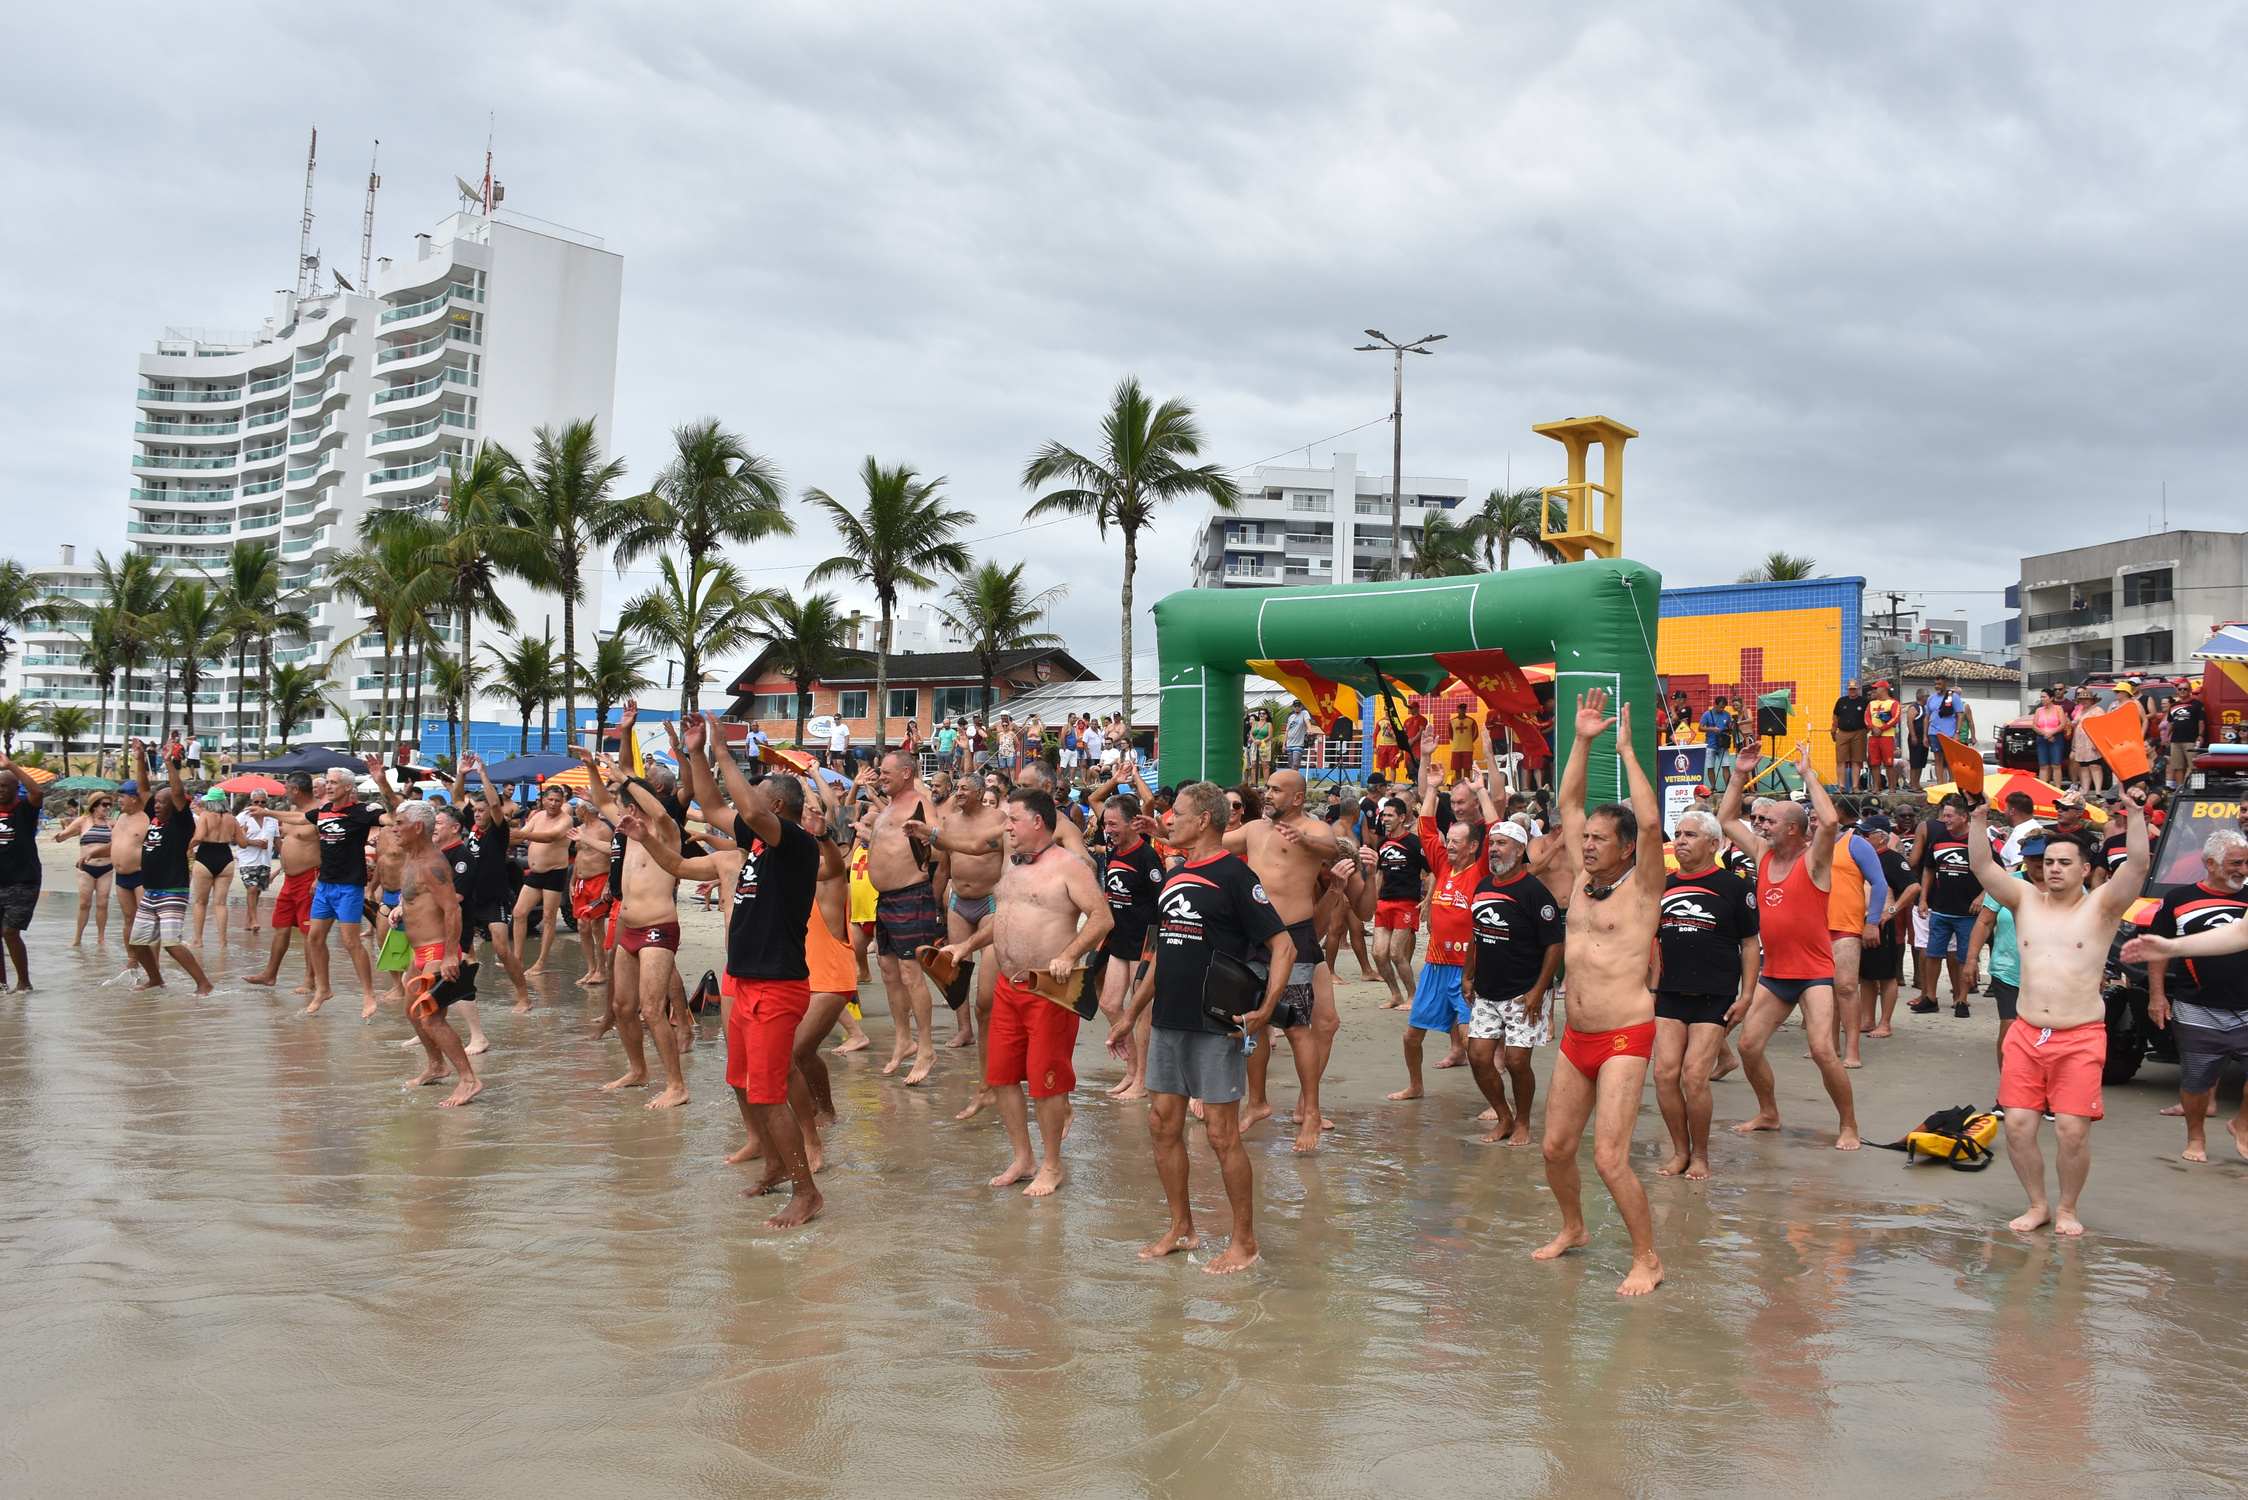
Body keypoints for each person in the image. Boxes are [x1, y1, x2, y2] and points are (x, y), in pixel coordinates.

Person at [1108, 781, 1291, 1274]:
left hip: (1215, 1023)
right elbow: (1163, 952)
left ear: (1203, 820)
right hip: (1168, 1017)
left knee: (1221, 1134)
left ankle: (1245, 1242)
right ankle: (1181, 1228)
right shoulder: (1175, 875)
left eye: (1178, 814)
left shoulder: (1235, 875)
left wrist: (1266, 1008)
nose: (1168, 820)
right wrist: (1128, 1016)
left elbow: (1283, 946)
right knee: (1162, 1124)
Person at [669, 710, 826, 1227]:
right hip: (746, 980)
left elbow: (748, 807)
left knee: (770, 1092)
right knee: (740, 1081)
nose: (748, 800)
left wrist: (721, 749)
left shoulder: (796, 844)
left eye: (758, 794)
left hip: (778, 987)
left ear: (777, 806)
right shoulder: (756, 842)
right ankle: (778, 1167)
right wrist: (695, 750)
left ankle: (807, 1193)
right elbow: (713, 804)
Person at [1535, 690, 1667, 1296]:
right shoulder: (1582, 882)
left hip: (1624, 1034)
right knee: (1556, 1148)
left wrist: (1627, 752)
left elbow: (1650, 822)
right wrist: (1583, 740)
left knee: (1609, 1158)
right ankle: (1574, 1229)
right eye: (1583, 837)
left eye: (1597, 839)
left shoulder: (1642, 888)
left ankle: (1648, 1259)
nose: (1586, 844)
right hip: (1576, 1037)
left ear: (1624, 848)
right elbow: (1566, 800)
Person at [1980, 789, 2148, 1235]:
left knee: (2071, 1131)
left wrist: (2134, 815)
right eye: (2048, 861)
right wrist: (1979, 820)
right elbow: (1982, 866)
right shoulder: (2023, 898)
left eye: (2064, 862)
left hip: (2080, 1036)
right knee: (2016, 1126)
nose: (2053, 868)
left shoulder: (2104, 905)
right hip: (2027, 1032)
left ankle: (2068, 1208)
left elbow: (2138, 867)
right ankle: (2038, 1205)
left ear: (2085, 869)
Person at [934, 788, 1112, 1195]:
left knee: (1045, 1082)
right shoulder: (1012, 866)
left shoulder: (1070, 866)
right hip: (1008, 987)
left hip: (1049, 990)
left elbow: (1102, 919)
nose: (1006, 826)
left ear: (1037, 822)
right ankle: (1023, 1158)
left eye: (1012, 819)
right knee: (1000, 1077)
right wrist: (965, 946)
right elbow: (1002, 922)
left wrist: (1069, 955)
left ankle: (1052, 1165)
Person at [1717, 742, 1860, 1150]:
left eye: (1771, 822)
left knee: (1821, 1050)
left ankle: (1848, 1125)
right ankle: (1769, 1113)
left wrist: (1808, 773)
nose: (1761, 826)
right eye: (1761, 821)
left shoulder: (1814, 861)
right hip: (1775, 972)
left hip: (1813, 974)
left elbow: (1829, 821)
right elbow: (1727, 818)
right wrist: (1739, 774)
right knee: (1747, 1045)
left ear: (1794, 828)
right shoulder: (1762, 854)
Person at [1225, 767, 1344, 1154]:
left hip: (1292, 937)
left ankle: (1310, 1111)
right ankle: (1256, 1102)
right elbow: (1215, 844)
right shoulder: (1256, 830)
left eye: (1276, 789)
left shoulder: (1312, 830)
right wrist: (1162, 832)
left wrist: (1305, 843)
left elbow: (1333, 847)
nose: (1268, 793)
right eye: (1268, 787)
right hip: (1253, 938)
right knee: (1253, 1024)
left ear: (1296, 798)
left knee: (1295, 1026)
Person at [576, 747, 692, 1108]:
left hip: (659, 928)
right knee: (624, 1007)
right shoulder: (627, 829)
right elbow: (599, 798)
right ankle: (638, 1070)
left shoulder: (665, 830)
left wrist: (623, 775)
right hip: (630, 930)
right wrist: (593, 768)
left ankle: (677, 1085)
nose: (613, 806)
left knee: (653, 1008)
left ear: (631, 804)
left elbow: (657, 809)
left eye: (620, 800)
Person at [1652, 808, 1760, 1180]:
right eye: (1678, 833)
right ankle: (1680, 1151)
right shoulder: (1662, 885)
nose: (1680, 840)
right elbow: (1651, 940)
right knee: (1664, 1075)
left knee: (1694, 1076)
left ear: (1714, 844)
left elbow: (1749, 944)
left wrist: (1746, 996)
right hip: (1669, 992)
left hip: (1715, 994)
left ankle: (1701, 1156)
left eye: (1690, 835)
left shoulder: (1735, 887)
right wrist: (1649, 988)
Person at [2131, 828, 2248, 1163]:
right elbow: (2159, 951)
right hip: (2197, 1006)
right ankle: (2196, 1138)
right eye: (2235, 863)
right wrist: (2157, 996)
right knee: (2196, 1080)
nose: (2242, 869)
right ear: (2211, 863)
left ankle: (2242, 1124)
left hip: (2246, 1006)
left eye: (2246, 863)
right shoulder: (2179, 899)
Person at [1466, 801, 1564, 1149]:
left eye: (1502, 843)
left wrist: (1540, 990)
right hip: (1487, 990)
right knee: (1478, 1058)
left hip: (1524, 992)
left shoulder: (1535, 893)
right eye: (1492, 843)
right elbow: (1475, 934)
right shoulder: (1482, 887)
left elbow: (1555, 944)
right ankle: (1504, 1116)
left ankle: (1523, 1122)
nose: (1494, 849)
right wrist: (1468, 975)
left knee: (1517, 1061)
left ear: (1520, 849)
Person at [1387, 750, 1480, 1104]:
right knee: (1412, 1036)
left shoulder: (1479, 871)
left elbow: (1494, 821)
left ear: (1473, 846)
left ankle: (1495, 1104)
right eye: (1449, 840)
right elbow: (1425, 826)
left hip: (1466, 969)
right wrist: (1432, 789)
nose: (1449, 845)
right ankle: (1416, 1085)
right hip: (1435, 966)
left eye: (1457, 841)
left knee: (1476, 1043)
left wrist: (1482, 793)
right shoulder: (1443, 865)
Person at [387, 802, 483, 1107]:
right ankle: (436, 1065)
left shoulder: (432, 863)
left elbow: (452, 908)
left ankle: (469, 1080)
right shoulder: (411, 856)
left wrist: (451, 957)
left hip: (439, 950)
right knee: (411, 1011)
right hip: (418, 950)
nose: (394, 828)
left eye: (399, 823)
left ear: (417, 828)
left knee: (431, 1020)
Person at [864, 748, 945, 1084]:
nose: (880, 776)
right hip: (885, 900)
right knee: (888, 970)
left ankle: (926, 1047)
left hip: (911, 896)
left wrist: (934, 895)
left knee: (912, 974)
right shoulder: (891, 805)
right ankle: (904, 1040)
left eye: (886, 772)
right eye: (880, 772)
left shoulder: (920, 803)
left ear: (907, 773)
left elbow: (940, 849)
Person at [301, 761, 397, 1015]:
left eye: (332, 783)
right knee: (314, 938)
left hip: (349, 886)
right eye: (326, 782)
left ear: (347, 787)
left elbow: (395, 817)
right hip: (324, 885)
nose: (327, 786)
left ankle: (368, 994)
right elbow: (298, 818)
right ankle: (323, 989)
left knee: (350, 942)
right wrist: (266, 813)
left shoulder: (363, 811)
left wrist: (381, 782)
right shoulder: (323, 812)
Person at [122, 739, 214, 996]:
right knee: (138, 942)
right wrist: (139, 759)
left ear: (175, 806)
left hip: (172, 889)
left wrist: (168, 763)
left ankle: (204, 984)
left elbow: (176, 792)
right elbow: (142, 790)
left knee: (171, 943)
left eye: (163, 802)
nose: (158, 805)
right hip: (151, 890)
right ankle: (155, 979)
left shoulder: (182, 823)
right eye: (157, 803)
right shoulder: (154, 817)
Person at [452, 755, 534, 1011]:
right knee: (458, 949)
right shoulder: (473, 828)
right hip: (469, 897)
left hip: (493, 898)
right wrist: (463, 774)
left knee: (501, 949)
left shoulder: (497, 831)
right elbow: (456, 800)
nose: (476, 815)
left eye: (480, 810)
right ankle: (463, 995)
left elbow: (496, 807)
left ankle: (524, 997)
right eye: (474, 811)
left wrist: (483, 774)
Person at [1967, 832, 2044, 1065]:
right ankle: (2007, 1094)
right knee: (2010, 1029)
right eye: (2033, 857)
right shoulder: (2008, 884)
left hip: (2052, 975)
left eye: (2044, 856)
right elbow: (1984, 921)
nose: (2039, 862)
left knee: (2045, 1034)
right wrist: (1971, 959)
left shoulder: (2071, 889)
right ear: (2024, 858)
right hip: (2009, 970)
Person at [242, 774, 322, 997]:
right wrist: (278, 870)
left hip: (310, 876)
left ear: (295, 789)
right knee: (281, 926)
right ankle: (270, 973)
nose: (284, 791)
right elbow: (287, 844)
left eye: (286, 788)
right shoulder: (290, 812)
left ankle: (310, 980)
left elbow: (331, 847)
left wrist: (319, 878)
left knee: (309, 932)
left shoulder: (318, 812)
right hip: (289, 878)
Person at [1912, 794, 1984, 1018]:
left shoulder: (1978, 840)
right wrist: (1923, 898)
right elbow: (1928, 869)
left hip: (1967, 911)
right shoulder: (1940, 837)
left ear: (1964, 817)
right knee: (1933, 953)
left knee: (1963, 957)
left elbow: (1994, 871)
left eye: (1950, 815)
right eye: (1944, 814)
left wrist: (1982, 896)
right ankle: (1930, 997)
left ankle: (1961, 999)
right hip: (1941, 909)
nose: (1945, 818)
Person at [1360, 795, 1429, 1010]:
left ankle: (1413, 996)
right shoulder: (1383, 843)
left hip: (1407, 902)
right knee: (1378, 953)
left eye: (1390, 815)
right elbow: (1379, 874)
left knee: (1396, 953)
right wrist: (1373, 898)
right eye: (1384, 815)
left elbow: (1433, 871)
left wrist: (1427, 900)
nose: (1385, 819)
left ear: (1401, 817)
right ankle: (1396, 994)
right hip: (1385, 902)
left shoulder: (1413, 842)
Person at [1857, 813, 1917, 1038]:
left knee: (1886, 975)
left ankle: (1885, 1022)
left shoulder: (1891, 858)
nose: (1862, 838)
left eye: (1867, 834)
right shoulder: (1862, 856)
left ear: (1881, 837)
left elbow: (1913, 886)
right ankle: (1868, 1018)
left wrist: (1891, 911)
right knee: (1867, 976)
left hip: (1881, 923)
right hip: (1862, 921)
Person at [508, 781, 575, 976]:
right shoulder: (537, 817)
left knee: (548, 918)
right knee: (519, 913)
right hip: (536, 874)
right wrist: (502, 835)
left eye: (557, 800)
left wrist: (521, 833)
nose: (553, 803)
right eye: (550, 800)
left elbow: (551, 837)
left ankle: (541, 962)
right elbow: (521, 837)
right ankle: (517, 959)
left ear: (562, 802)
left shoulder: (566, 819)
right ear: (543, 800)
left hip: (555, 872)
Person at [0, 753, 46, 989]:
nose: (1, 790)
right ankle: (1, 984)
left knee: (9, 932)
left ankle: (23, 983)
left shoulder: (25, 808)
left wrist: (10, 766)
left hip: (23, 880)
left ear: (15, 788)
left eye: (5, 786)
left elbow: (37, 792)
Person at [50, 793, 115, 947]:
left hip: (106, 868)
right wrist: (58, 835)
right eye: (104, 805)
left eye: (109, 805)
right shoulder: (83, 821)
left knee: (103, 903)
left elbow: (123, 840)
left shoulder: (112, 823)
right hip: (86, 868)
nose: (108, 808)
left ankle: (101, 938)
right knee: (84, 904)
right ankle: (77, 939)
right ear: (94, 807)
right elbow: (63, 837)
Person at [567, 797, 615, 989]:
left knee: (596, 926)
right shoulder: (580, 830)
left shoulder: (604, 829)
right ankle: (591, 968)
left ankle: (602, 970)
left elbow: (614, 855)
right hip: (581, 881)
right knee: (582, 926)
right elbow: (580, 856)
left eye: (577, 809)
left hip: (599, 880)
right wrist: (572, 881)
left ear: (584, 809)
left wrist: (608, 884)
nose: (575, 812)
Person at [186, 790, 239, 947]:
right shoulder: (232, 819)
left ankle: (198, 940)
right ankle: (223, 942)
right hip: (225, 857)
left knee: (200, 902)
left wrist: (184, 847)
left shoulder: (205, 816)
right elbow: (242, 842)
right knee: (220, 903)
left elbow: (199, 837)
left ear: (210, 802)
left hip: (206, 857)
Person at [236, 794, 279, 935]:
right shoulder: (243, 817)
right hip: (247, 859)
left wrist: (287, 855)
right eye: (256, 801)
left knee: (258, 891)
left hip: (265, 860)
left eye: (263, 802)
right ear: (251, 801)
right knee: (252, 889)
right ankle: (254, 920)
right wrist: (251, 841)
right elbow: (232, 836)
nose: (259, 804)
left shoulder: (271, 818)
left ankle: (248, 921)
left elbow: (277, 840)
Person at [1831, 678, 1869, 794]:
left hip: (1859, 732)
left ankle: (1855, 786)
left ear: (1858, 689)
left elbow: (1868, 718)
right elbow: (1835, 716)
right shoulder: (1841, 701)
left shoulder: (1864, 702)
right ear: (1847, 689)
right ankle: (1842, 786)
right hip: (1843, 732)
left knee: (1856, 760)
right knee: (1841, 760)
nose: (1852, 691)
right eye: (1850, 689)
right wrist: (1838, 727)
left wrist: (1864, 731)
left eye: (1854, 689)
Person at [2166, 683, 2206, 788]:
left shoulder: (2197, 704)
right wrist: (2167, 736)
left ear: (2190, 690)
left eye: (2185, 689)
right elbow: (2170, 722)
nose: (2182, 690)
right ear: (2177, 691)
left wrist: (2200, 735)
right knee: (2178, 766)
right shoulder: (2173, 706)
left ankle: (2196, 788)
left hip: (2191, 740)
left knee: (2195, 766)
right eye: (2180, 689)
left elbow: (2201, 721)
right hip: (2176, 740)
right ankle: (2180, 788)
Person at [2069, 687, 2106, 793]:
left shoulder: (2097, 710)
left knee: (2095, 766)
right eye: (2081, 700)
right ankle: (2085, 789)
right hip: (2081, 742)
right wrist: (2074, 742)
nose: (2083, 702)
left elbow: (2101, 727)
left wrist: (2097, 742)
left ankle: (2098, 789)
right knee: (2084, 767)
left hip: (2092, 741)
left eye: (2086, 699)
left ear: (2092, 700)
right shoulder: (2080, 711)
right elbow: (2075, 726)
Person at [2032, 687, 2070, 786]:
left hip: (2056, 737)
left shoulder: (2058, 709)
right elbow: (2035, 726)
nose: (2042, 699)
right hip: (2042, 737)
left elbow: (2062, 724)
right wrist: (2045, 734)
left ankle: (2057, 787)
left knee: (2056, 764)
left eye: (2044, 697)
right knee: (2043, 765)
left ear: (2051, 698)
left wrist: (2051, 733)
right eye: (2041, 697)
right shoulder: (2039, 710)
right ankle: (2044, 787)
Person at [1699, 695, 1737, 782]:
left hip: (1723, 745)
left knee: (1726, 766)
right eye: (1720, 707)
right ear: (1715, 705)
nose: (1722, 709)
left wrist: (1731, 729)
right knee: (1710, 767)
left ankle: (1728, 787)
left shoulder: (1727, 714)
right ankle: (1713, 787)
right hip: (1710, 744)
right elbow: (1700, 728)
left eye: (1723, 707)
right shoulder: (1707, 714)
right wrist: (1711, 729)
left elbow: (1730, 726)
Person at [1906, 688, 1932, 790]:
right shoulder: (1914, 707)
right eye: (1927, 696)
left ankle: (1917, 783)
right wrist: (1913, 736)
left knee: (1921, 762)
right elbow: (1910, 722)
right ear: (1923, 697)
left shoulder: (1924, 708)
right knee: (1915, 762)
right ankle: (1913, 784)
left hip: (1923, 738)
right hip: (1916, 736)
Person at [1284, 704, 1311, 770]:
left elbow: (1307, 721)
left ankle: (1293, 778)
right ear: (1293, 707)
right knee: (1291, 764)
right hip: (1289, 743)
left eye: (1298, 706)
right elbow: (1287, 731)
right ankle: (1292, 777)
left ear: (1301, 707)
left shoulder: (1304, 713)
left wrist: (1310, 729)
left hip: (1298, 743)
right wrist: (1284, 744)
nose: (1297, 708)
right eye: (1295, 706)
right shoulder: (1291, 717)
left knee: (1295, 763)